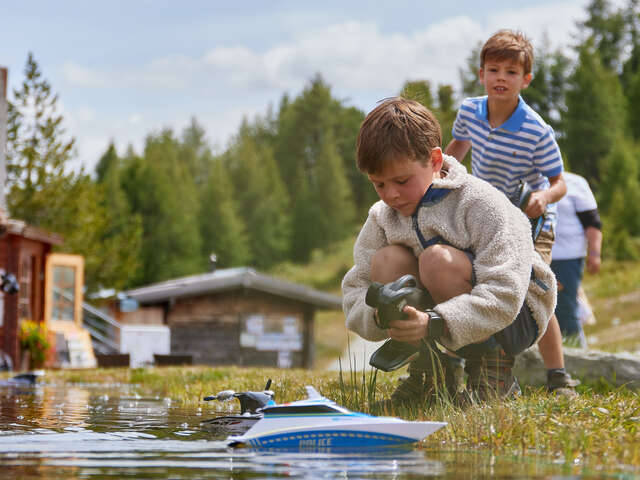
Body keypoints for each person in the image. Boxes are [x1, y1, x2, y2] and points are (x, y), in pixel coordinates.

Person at [342, 97, 557, 407]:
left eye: (402, 181)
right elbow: (355, 289)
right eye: (379, 184)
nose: (390, 195)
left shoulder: (481, 203)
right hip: (446, 315)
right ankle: (431, 375)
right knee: (387, 261)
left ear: (435, 161)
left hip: (516, 313)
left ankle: (493, 372)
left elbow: (506, 293)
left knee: (436, 262)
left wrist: (434, 322)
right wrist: (378, 315)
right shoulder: (382, 216)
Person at [445, 29, 579, 396]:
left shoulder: (537, 131)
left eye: (510, 72)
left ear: (525, 79)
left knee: (534, 294)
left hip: (532, 220)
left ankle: (558, 375)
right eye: (493, 70)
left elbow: (560, 182)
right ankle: (474, 361)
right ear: (481, 74)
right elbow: (458, 146)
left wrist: (544, 196)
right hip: (484, 217)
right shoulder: (470, 110)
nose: (501, 78)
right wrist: (439, 172)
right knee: (476, 281)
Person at [550, 172, 602, 348]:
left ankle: (576, 356)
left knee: (564, 310)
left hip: (566, 258)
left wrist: (594, 254)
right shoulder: (527, 178)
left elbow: (593, 223)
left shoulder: (575, 182)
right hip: (534, 256)